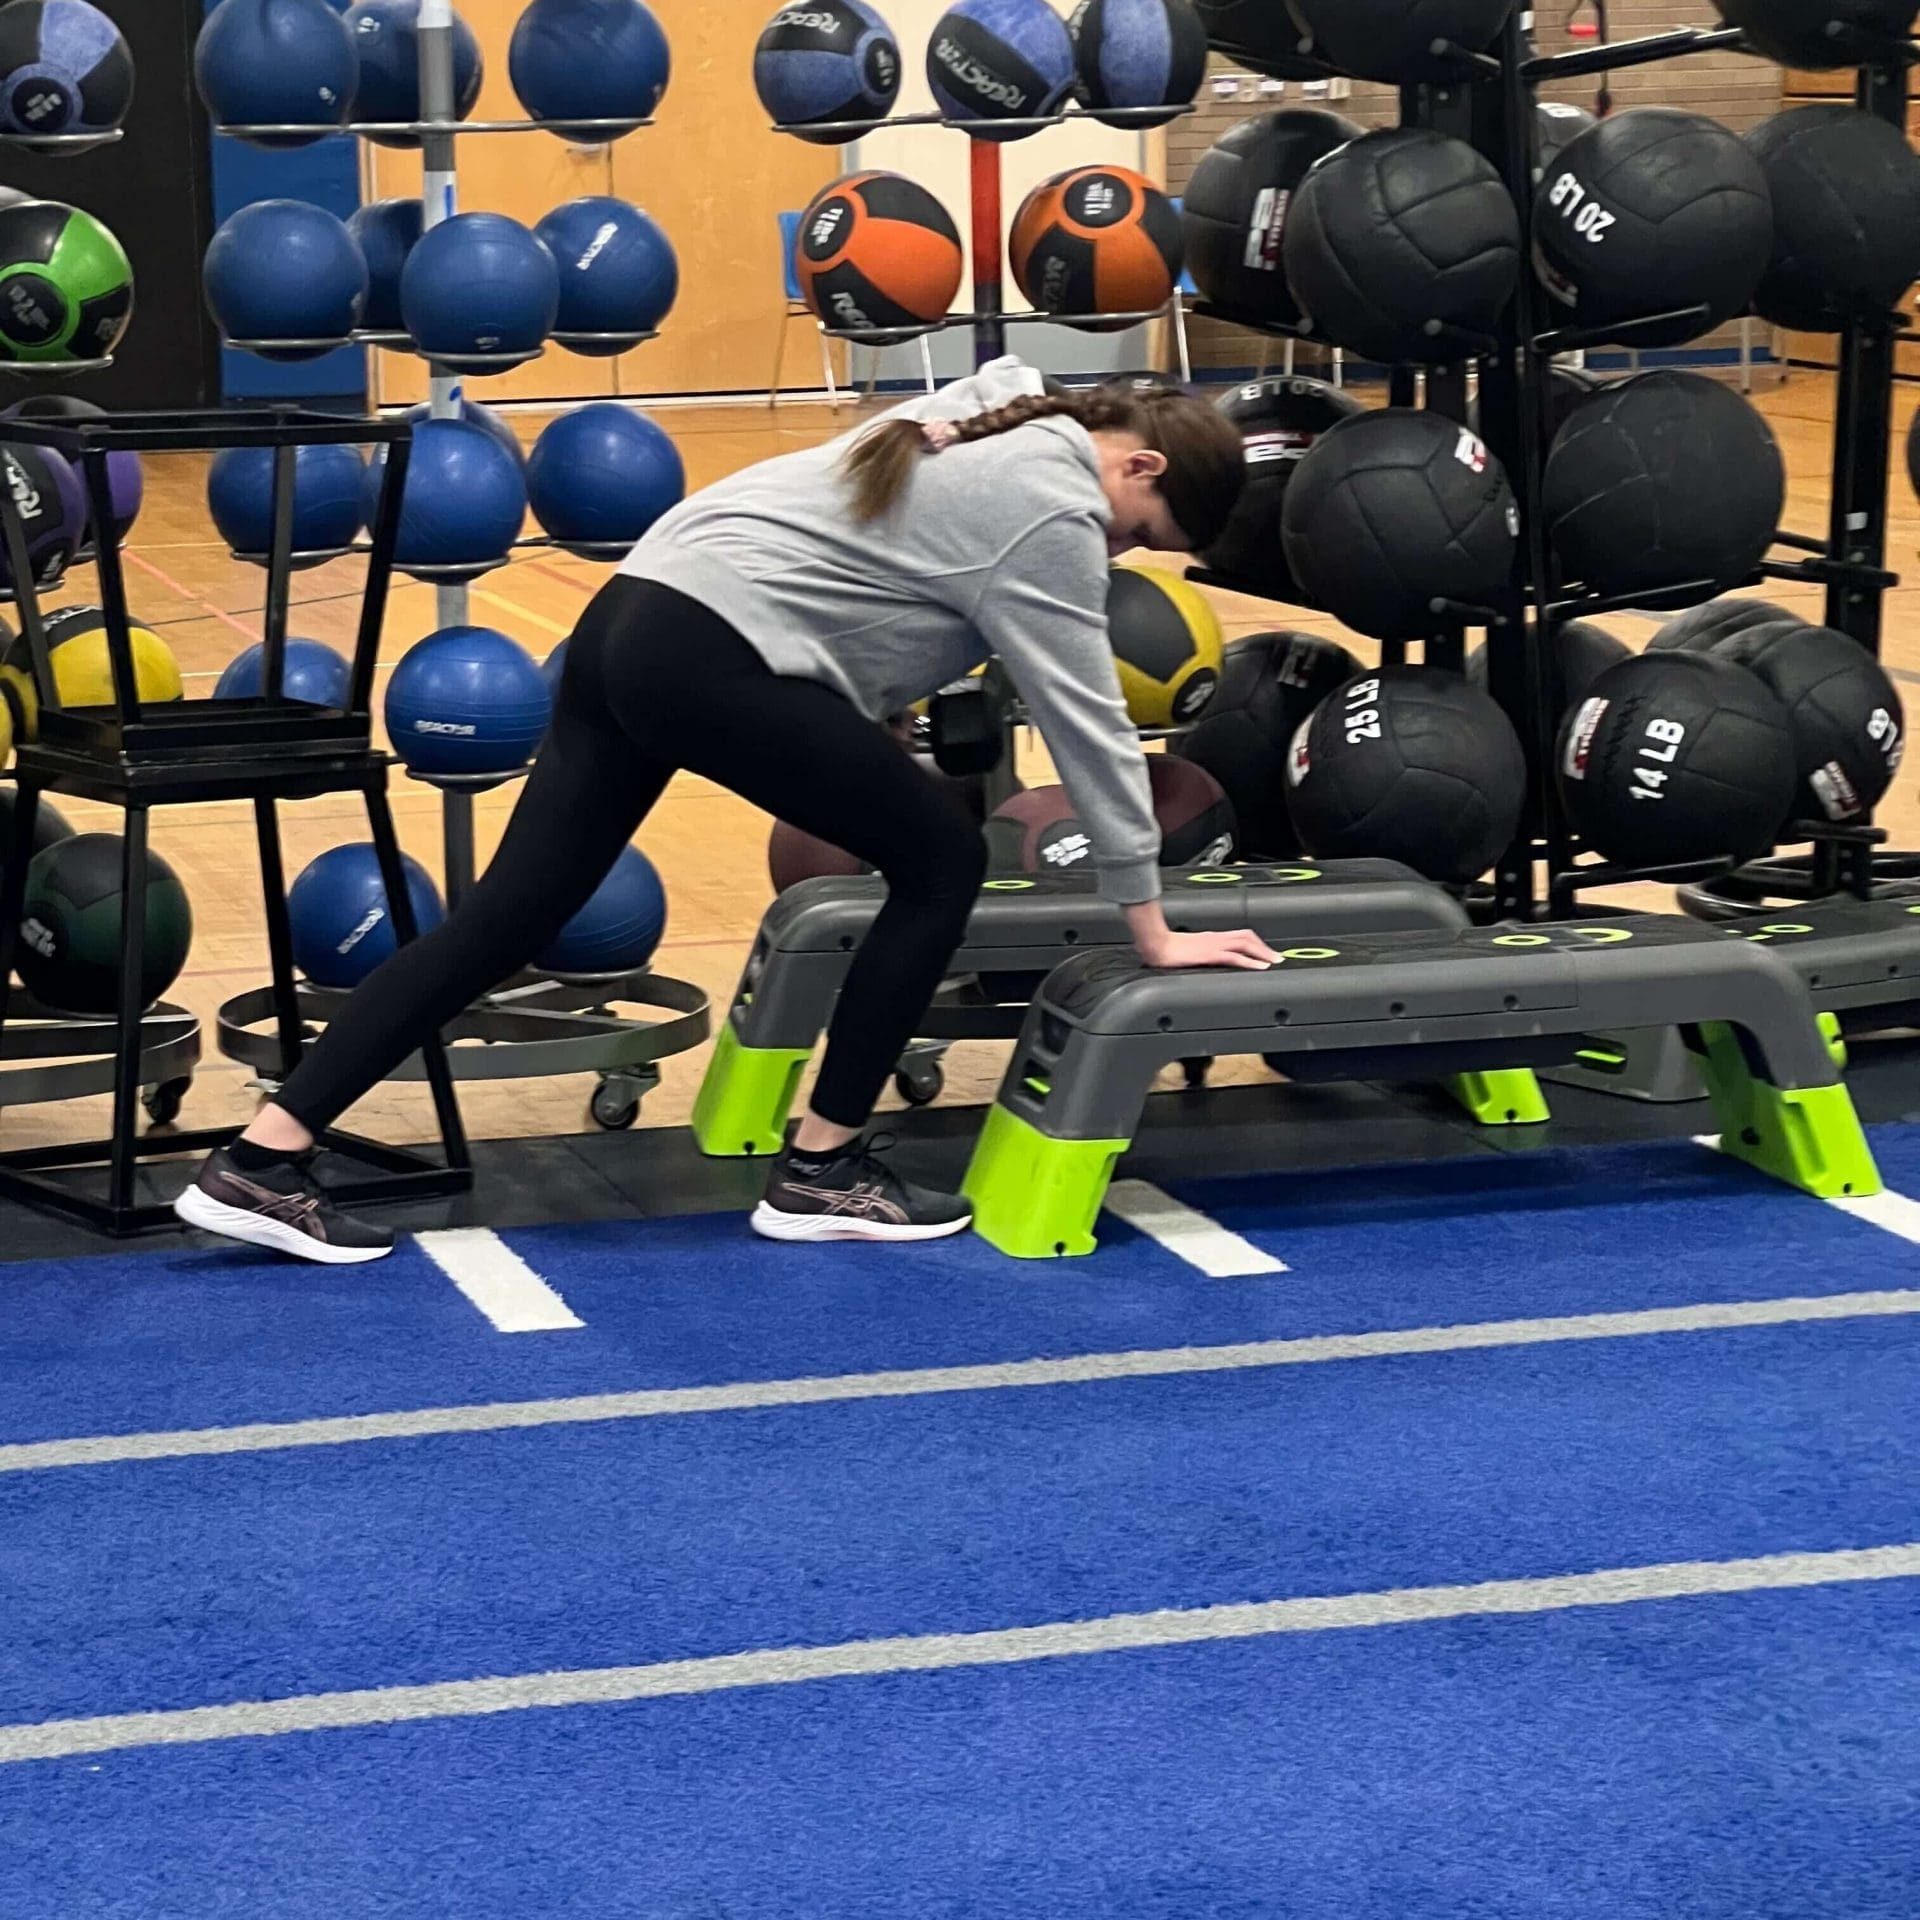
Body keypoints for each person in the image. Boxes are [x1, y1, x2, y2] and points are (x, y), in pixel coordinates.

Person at [175, 358, 1280, 1263]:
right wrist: (1151, 922)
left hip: (634, 625)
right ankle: (825, 1169)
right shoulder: (1054, 510)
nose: (1125, 552)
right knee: (942, 857)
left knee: (507, 919)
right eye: (1144, 529)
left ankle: (260, 1161)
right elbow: (1084, 713)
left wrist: (866, 714)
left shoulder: (992, 408)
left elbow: (864, 570)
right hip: (709, 651)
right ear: (1134, 464)